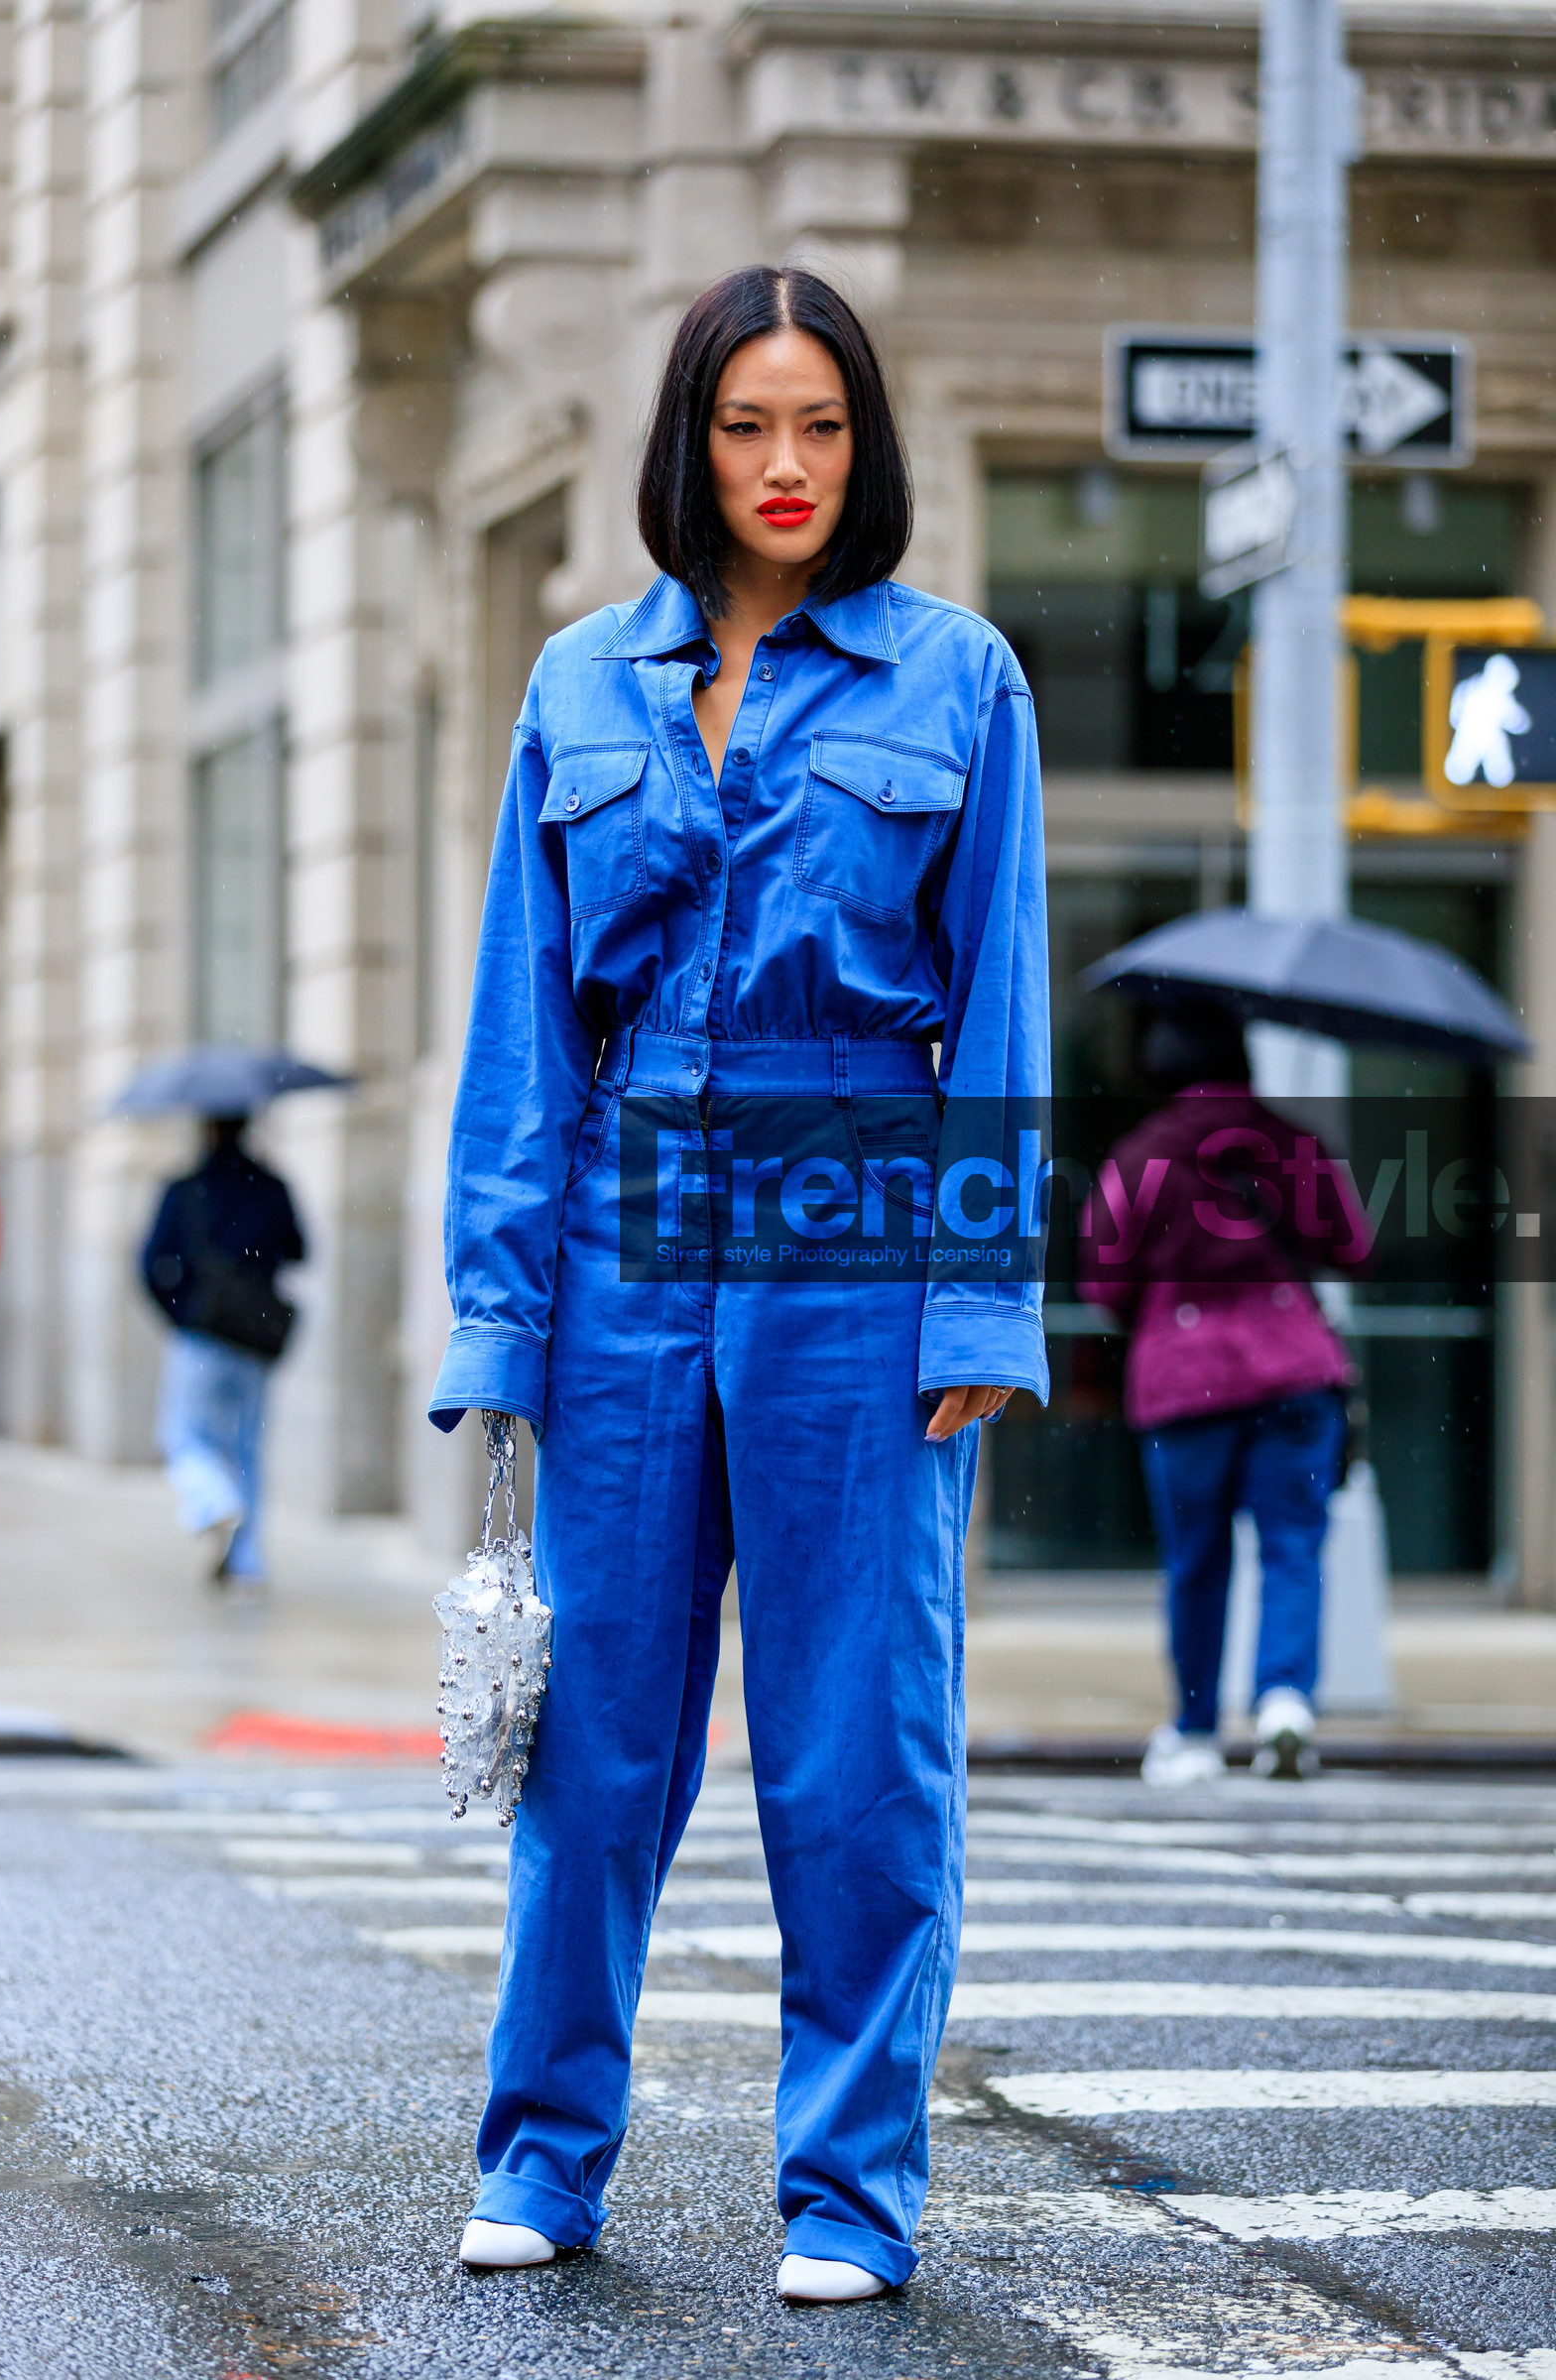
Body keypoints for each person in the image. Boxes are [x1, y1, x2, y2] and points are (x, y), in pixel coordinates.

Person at [428, 266, 1048, 2300]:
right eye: (743, 426)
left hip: (854, 1212)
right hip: (620, 1222)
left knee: (852, 1741)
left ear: (863, 452)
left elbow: (1005, 1013)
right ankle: (541, 2152)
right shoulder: (577, 681)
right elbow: (523, 1026)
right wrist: (498, 1317)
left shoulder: (956, 680)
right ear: (685, 442)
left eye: (821, 428)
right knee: (596, 1733)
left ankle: (848, 2194)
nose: (783, 467)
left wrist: (975, 1305)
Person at [1076, 1001, 1371, 1787]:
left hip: (1184, 1379)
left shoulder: (1137, 1158)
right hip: (1295, 1370)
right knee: (1292, 1545)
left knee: (1196, 1561)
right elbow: (1355, 1248)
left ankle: (1198, 1730)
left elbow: (1102, 1282)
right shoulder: (1287, 1142)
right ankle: (1283, 1703)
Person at [141, 1113, 305, 1585]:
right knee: (247, 1448)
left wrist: (181, 1312)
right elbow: (300, 1249)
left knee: (182, 1436)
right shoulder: (271, 1185)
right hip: (253, 1336)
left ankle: (214, 1503)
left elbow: (150, 1263)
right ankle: (246, 1561)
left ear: (207, 1130)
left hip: (201, 1333)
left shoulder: (185, 1189)